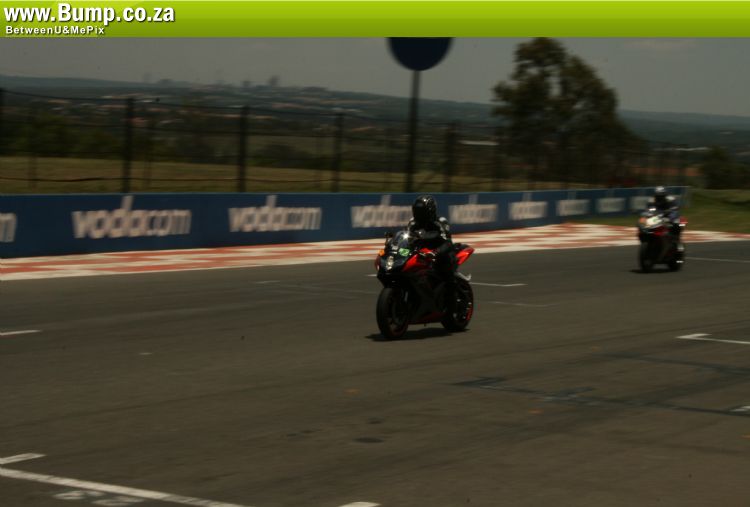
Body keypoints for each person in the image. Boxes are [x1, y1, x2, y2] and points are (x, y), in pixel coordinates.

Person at [406, 195, 459, 299]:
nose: (419, 214)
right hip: (422, 252)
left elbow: (448, 242)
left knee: (446, 273)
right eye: (417, 211)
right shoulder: (412, 222)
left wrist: (436, 252)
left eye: (422, 211)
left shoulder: (440, 221)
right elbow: (407, 238)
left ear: (430, 211)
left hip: (440, 252)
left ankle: (451, 304)